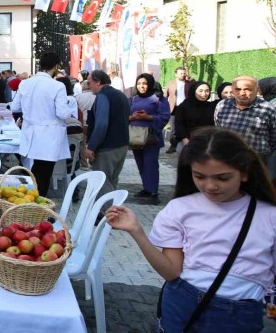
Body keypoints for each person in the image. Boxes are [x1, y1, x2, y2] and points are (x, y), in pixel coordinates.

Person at [106, 127, 276, 332]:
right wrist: (136, 231)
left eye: (222, 178)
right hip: (181, 302)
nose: (210, 186)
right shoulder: (180, 208)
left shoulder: (268, 214)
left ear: (245, 173)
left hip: (240, 313)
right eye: (200, 176)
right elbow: (170, 271)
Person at [9, 52, 71, 197]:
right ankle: (37, 206)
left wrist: (30, 111)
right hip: (49, 135)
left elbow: (15, 107)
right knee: (44, 174)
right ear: (56, 67)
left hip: (30, 133)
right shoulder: (57, 86)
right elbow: (63, 113)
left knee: (36, 170)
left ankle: (33, 204)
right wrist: (68, 108)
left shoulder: (25, 83)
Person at [214, 75, 276, 178]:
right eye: (238, 89)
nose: (242, 93)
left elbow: (273, 138)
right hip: (229, 159)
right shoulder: (222, 106)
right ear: (233, 90)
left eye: (247, 89)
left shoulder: (268, 109)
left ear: (256, 90)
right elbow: (219, 128)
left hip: (257, 162)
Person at [84, 70, 131, 202]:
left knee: (103, 182)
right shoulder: (120, 95)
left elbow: (101, 124)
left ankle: (107, 215)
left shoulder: (103, 96)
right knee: (111, 181)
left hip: (107, 146)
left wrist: (91, 146)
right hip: (122, 143)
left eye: (89, 82)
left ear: (98, 82)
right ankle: (108, 213)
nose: (88, 86)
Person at [129, 73, 171, 202]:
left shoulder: (158, 99)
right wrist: (133, 117)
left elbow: (165, 116)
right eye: (139, 84)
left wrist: (148, 117)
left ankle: (153, 190)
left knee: (151, 164)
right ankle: (146, 188)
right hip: (136, 135)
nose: (142, 86)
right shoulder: (133, 99)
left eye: (145, 83)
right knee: (140, 163)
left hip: (151, 137)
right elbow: (126, 115)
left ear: (151, 84)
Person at [174, 81, 216, 148]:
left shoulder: (211, 106)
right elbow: (179, 125)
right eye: (200, 91)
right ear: (194, 91)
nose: (204, 94)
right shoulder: (184, 106)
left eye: (207, 91)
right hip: (189, 141)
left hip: (208, 142)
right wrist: (185, 141)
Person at [163, 67, 194, 154]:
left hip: (186, 108)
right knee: (173, 129)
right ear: (176, 74)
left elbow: (196, 87)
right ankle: (173, 145)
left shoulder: (189, 83)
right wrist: (164, 106)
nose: (183, 75)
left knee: (186, 127)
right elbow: (165, 95)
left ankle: (186, 145)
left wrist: (191, 78)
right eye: (181, 73)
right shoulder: (171, 83)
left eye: (184, 73)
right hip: (174, 108)